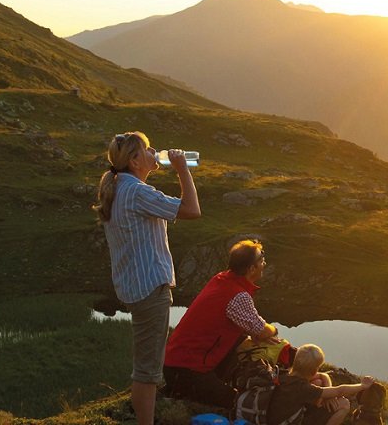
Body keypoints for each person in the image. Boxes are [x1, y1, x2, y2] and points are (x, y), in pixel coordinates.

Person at [94, 131, 201, 425]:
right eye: (147, 149)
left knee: (146, 364)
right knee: (148, 370)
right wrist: (182, 170)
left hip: (134, 286)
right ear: (135, 160)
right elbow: (192, 210)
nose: (154, 151)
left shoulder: (119, 186)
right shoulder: (138, 192)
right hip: (149, 288)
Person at [162, 239, 281, 408]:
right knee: (237, 403)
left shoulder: (221, 279)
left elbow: (249, 328)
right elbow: (262, 330)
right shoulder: (237, 295)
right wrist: (274, 330)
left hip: (176, 365)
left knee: (242, 338)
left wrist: (253, 333)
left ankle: (193, 386)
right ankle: (183, 392)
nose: (265, 263)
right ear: (251, 269)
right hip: (188, 371)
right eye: (261, 260)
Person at [267, 344, 376, 425]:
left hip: (276, 418)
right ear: (314, 370)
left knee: (318, 382)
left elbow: (323, 376)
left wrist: (328, 394)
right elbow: (340, 391)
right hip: (288, 422)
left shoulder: (284, 375)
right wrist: (362, 386)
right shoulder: (303, 388)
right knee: (344, 403)